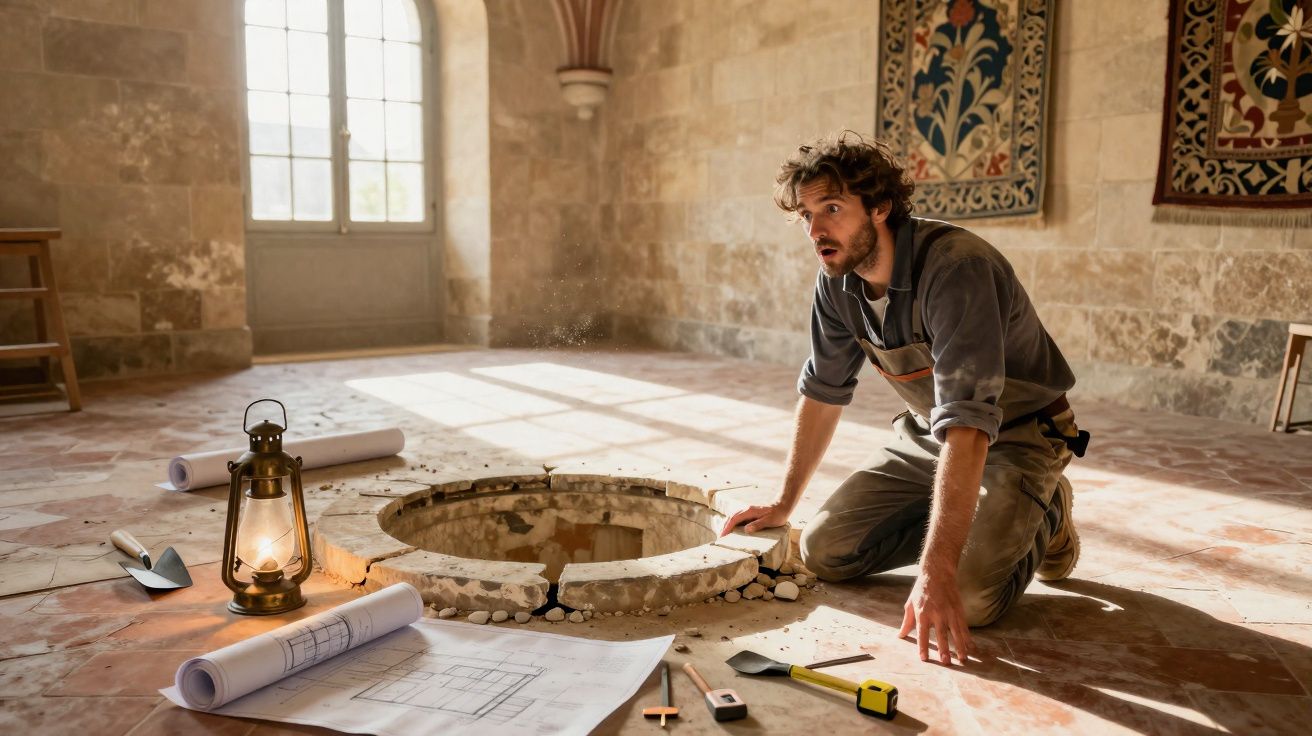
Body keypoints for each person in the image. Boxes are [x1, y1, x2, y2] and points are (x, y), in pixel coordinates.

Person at [720, 131, 1089, 665]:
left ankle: (1048, 508)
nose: (816, 230)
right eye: (806, 215)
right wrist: (784, 503)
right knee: (826, 551)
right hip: (929, 433)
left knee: (972, 599)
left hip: (1021, 435)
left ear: (880, 208)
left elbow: (967, 422)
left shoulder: (957, 270)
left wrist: (936, 572)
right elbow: (824, 394)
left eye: (832, 208)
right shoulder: (836, 282)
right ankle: (973, 518)